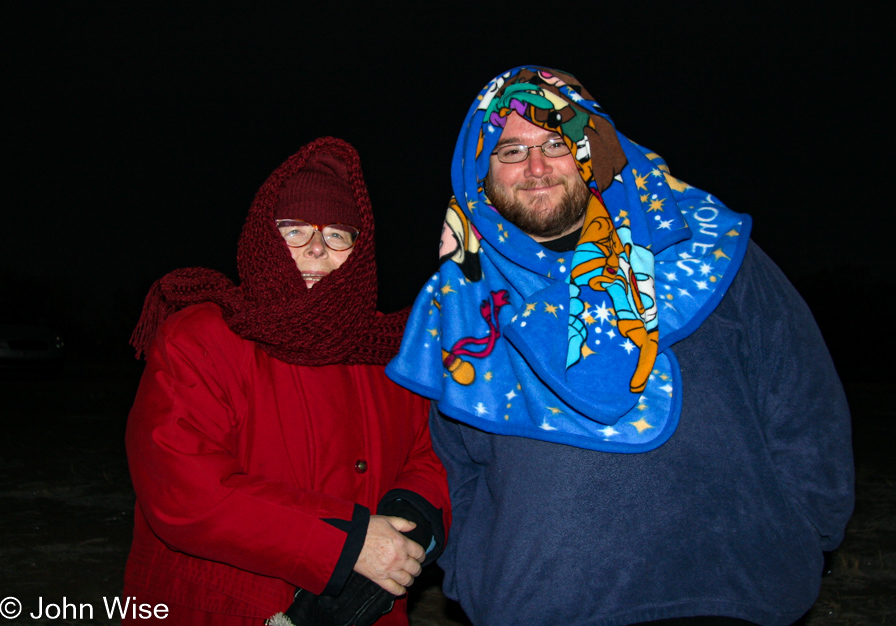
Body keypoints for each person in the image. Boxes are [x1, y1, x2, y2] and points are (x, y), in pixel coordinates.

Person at [386, 66, 854, 626]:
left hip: (737, 596)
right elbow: (448, 462)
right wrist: (477, 573)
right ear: (478, 172)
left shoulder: (710, 252)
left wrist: (805, 538)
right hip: (540, 609)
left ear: (594, 146)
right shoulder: (459, 304)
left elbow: (805, 405)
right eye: (510, 150)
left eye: (557, 141)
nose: (536, 167)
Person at [123, 137, 450, 625]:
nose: (316, 248)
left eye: (339, 234)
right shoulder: (201, 337)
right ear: (263, 237)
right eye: (294, 229)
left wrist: (411, 518)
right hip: (219, 606)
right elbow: (185, 490)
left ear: (359, 251)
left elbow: (437, 451)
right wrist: (345, 545)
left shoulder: (392, 351)